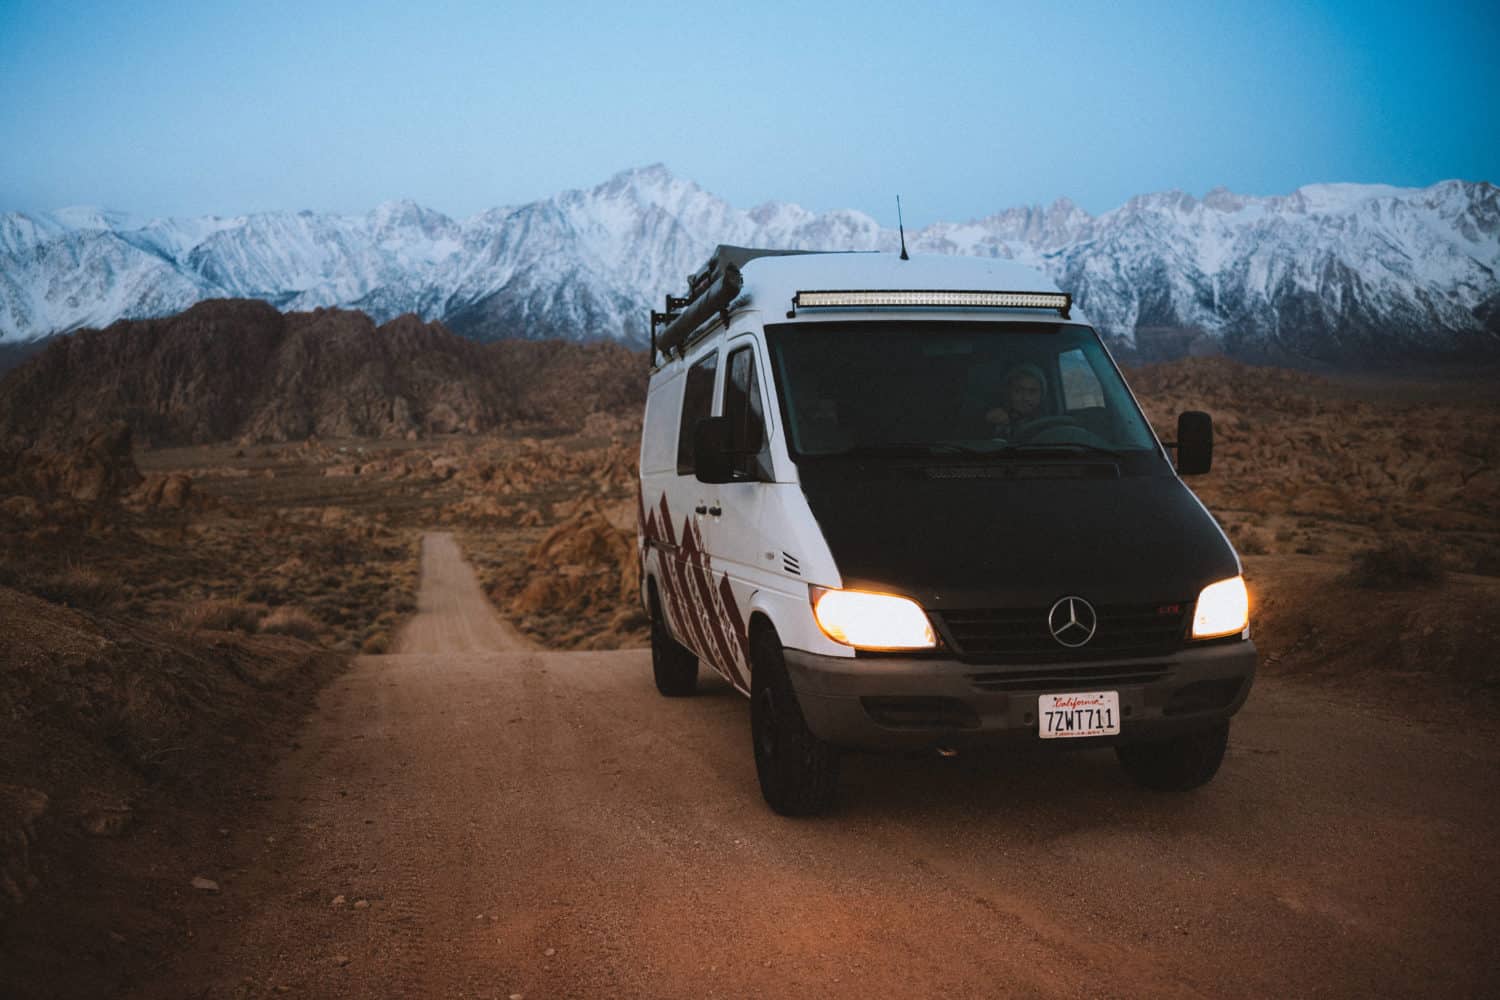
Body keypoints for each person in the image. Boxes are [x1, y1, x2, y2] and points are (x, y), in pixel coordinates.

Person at [985, 363, 1047, 438]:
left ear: (1042, 395)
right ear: (1008, 392)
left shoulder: (1048, 423)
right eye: (1018, 390)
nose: (1026, 398)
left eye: (1033, 391)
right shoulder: (993, 418)